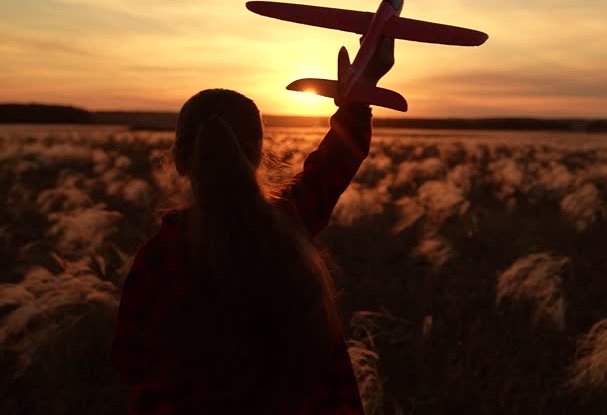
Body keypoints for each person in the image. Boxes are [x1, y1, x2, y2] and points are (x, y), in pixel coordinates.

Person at [111, 37, 395, 414]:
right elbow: (338, 159)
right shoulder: (288, 224)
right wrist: (362, 86)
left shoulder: (159, 257)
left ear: (180, 160)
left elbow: (129, 360)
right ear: (258, 154)